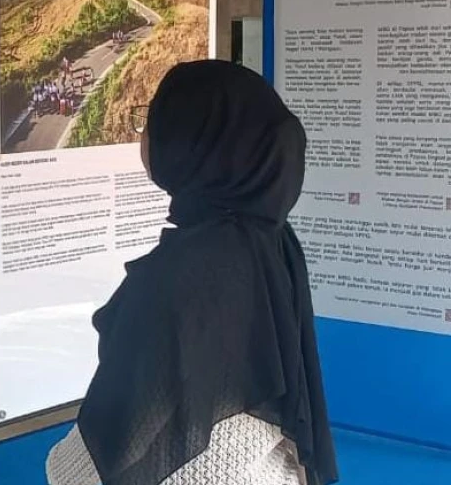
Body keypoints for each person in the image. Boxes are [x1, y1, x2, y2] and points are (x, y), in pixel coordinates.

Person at [46, 61, 338, 485]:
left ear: (192, 144)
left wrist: (56, 462)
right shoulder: (271, 241)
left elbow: (89, 468)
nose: (144, 137)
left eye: (152, 122)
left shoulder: (179, 277)